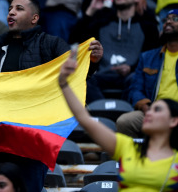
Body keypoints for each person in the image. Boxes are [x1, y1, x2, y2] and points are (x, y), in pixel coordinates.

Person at [0, 0, 103, 191]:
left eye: (19, 8)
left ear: (34, 18)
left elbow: (74, 73)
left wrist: (93, 62)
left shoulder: (50, 44)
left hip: (32, 139)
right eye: (10, 8)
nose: (11, 12)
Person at [59, 49, 178, 191]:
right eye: (150, 109)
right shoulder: (127, 147)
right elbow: (85, 119)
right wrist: (64, 84)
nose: (149, 113)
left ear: (173, 121)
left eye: (157, 110)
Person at [69, 0, 159, 103]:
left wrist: (131, 68)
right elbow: (75, 39)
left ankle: (123, 115)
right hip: (103, 74)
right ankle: (103, 113)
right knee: (83, 79)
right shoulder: (102, 23)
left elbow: (151, 56)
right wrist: (91, 9)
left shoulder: (147, 27)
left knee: (138, 80)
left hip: (132, 75)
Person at [116, 9, 178, 138]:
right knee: (124, 122)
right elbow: (136, 89)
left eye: (175, 19)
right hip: (154, 110)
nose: (168, 22)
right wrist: (146, 107)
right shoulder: (147, 57)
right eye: (166, 20)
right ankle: (134, 158)